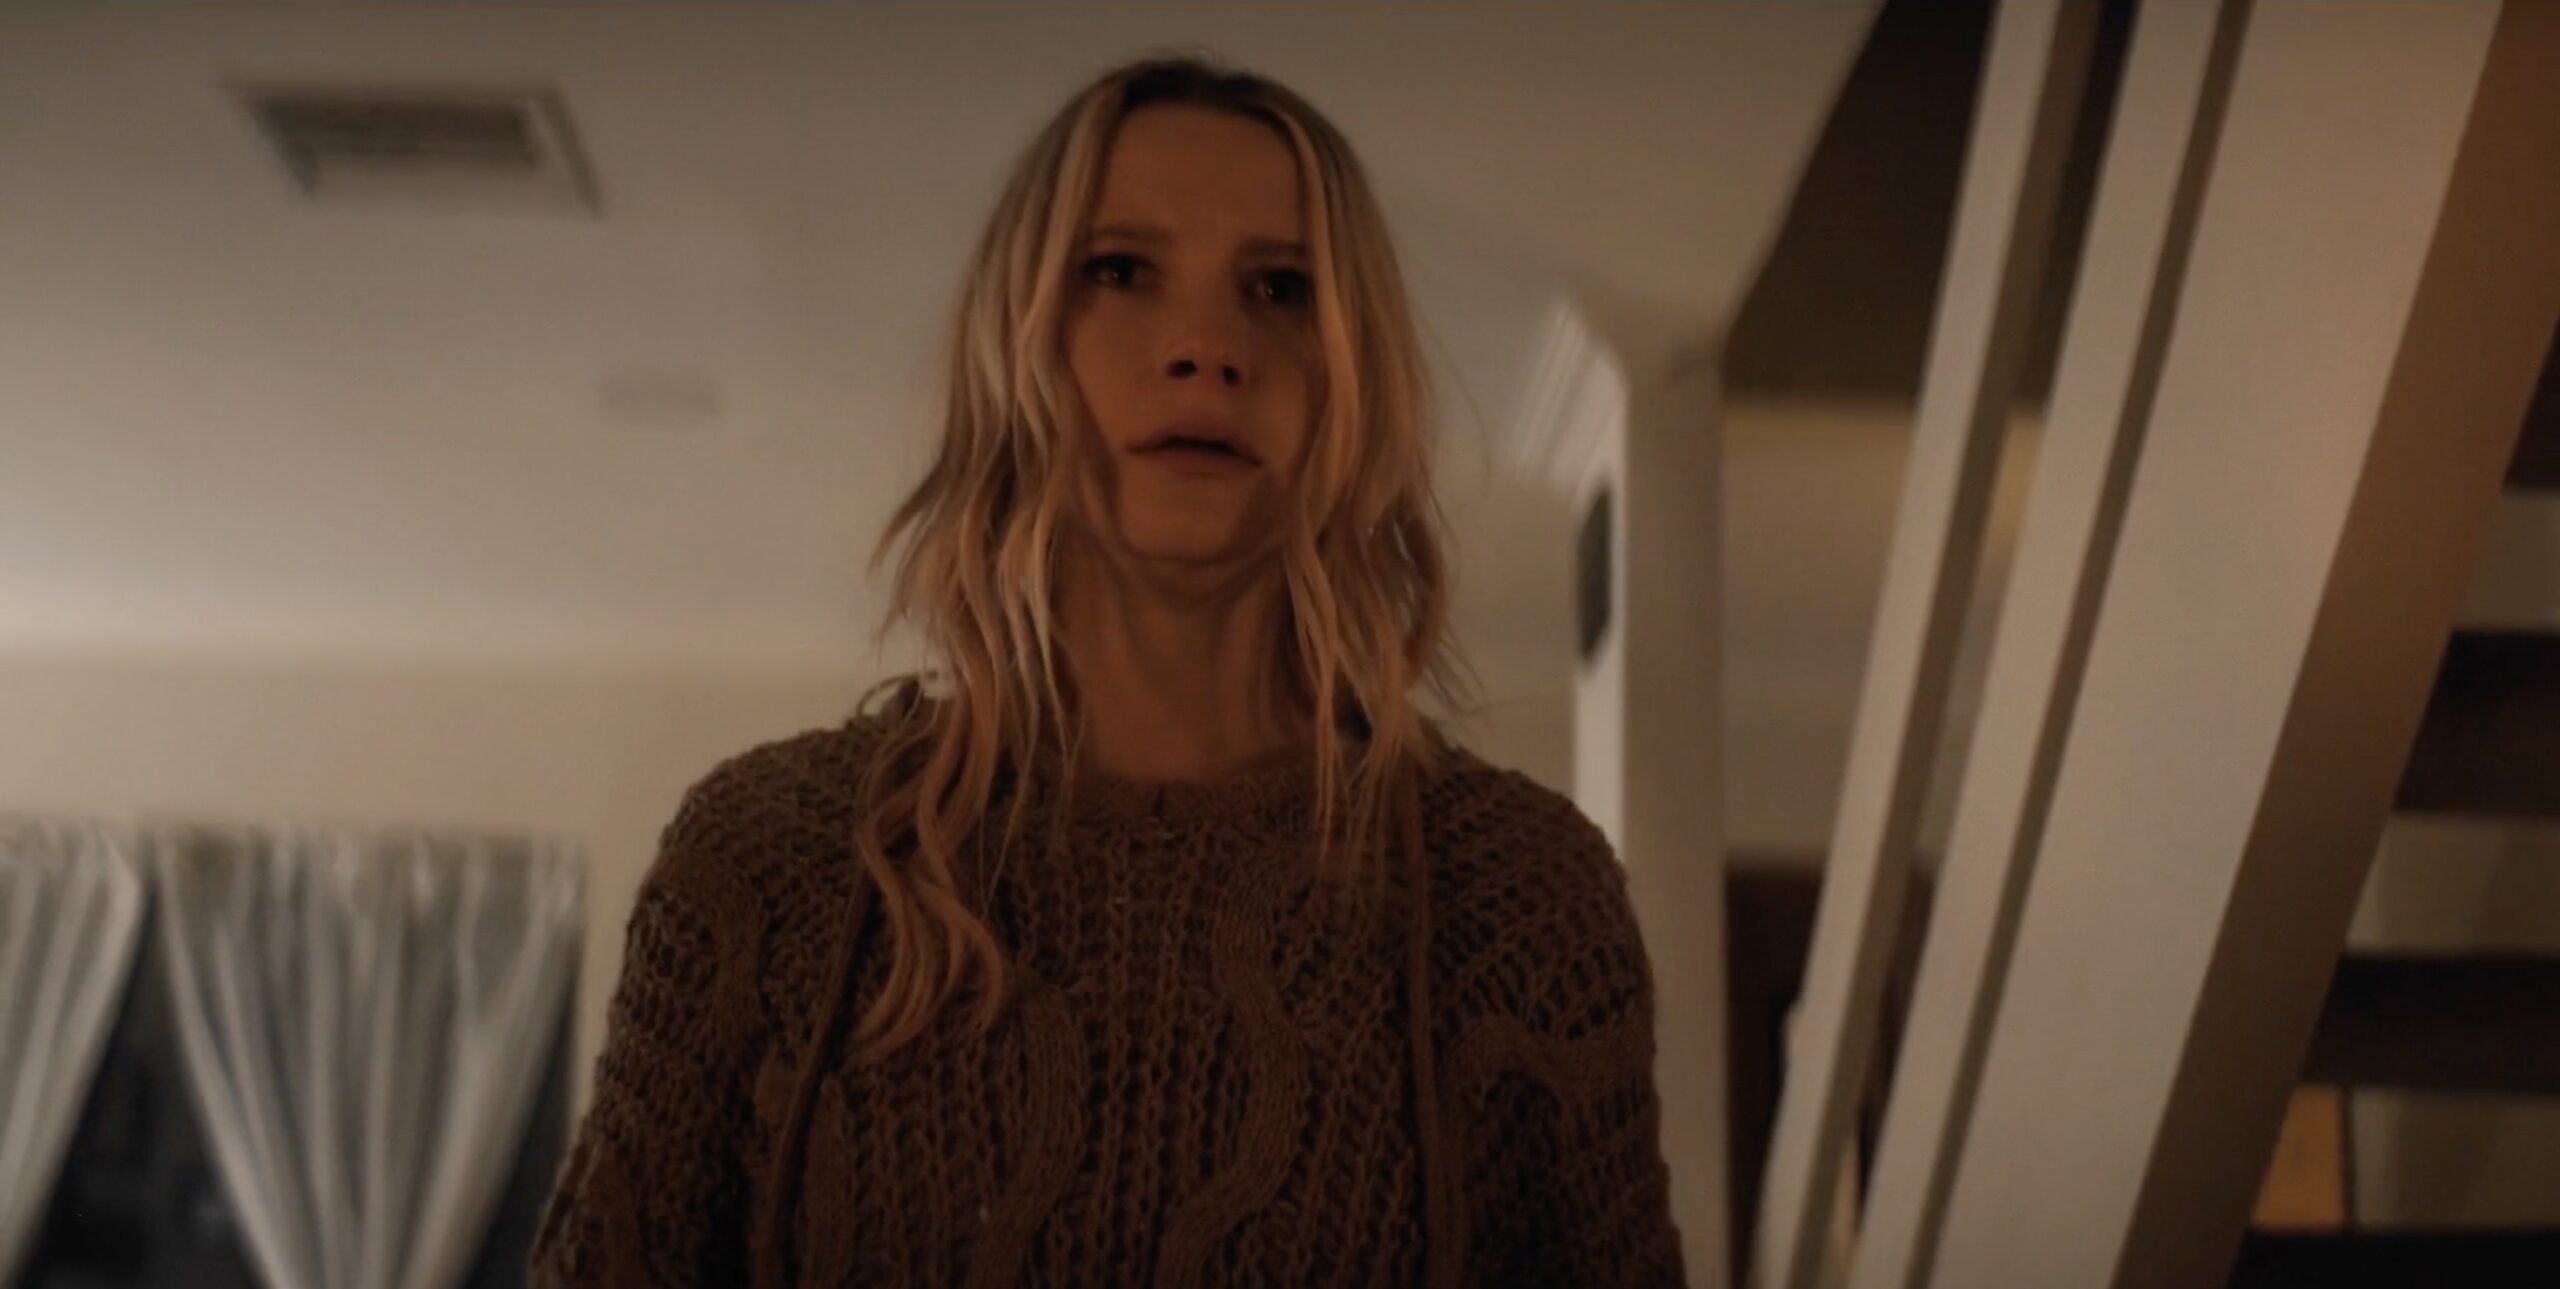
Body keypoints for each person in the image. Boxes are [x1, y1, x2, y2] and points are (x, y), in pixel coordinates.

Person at [530, 53, 1686, 1288]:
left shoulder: (1520, 898)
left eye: (1281, 287)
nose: (1206, 346)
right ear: (1016, 341)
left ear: (1355, 379)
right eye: (1121, 270)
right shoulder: (767, 856)